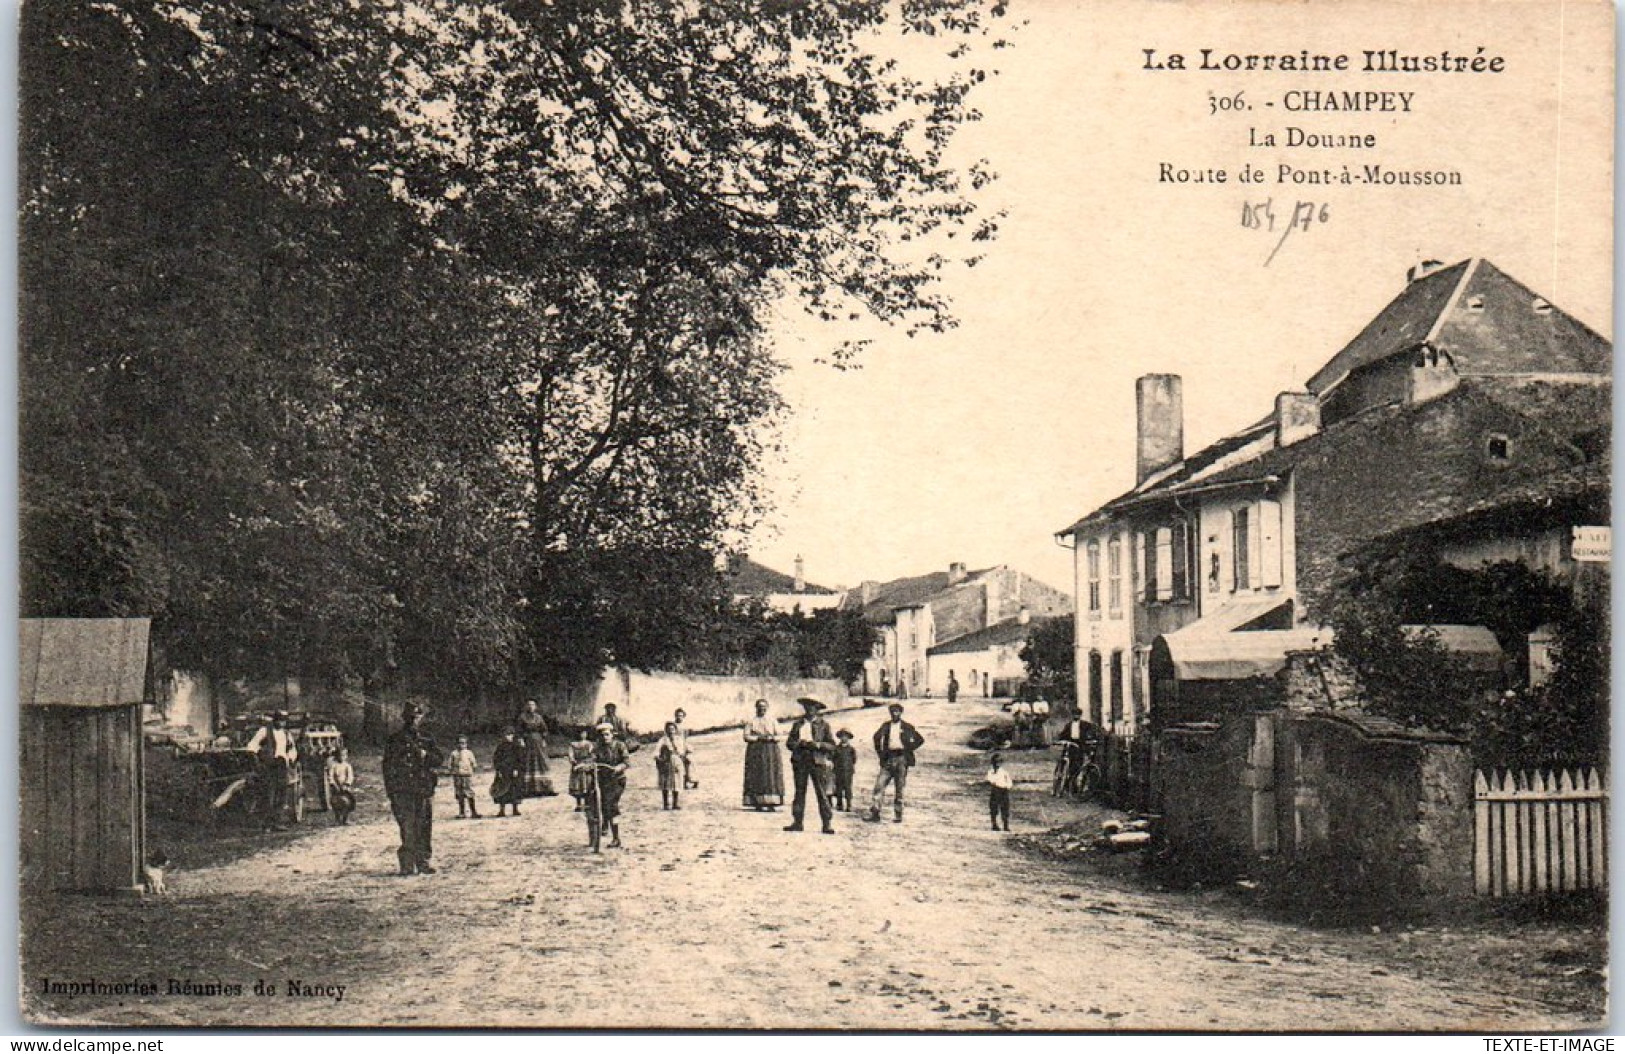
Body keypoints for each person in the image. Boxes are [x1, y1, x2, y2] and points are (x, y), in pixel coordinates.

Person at [381, 703, 444, 875]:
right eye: (411, 717)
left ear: (421, 718)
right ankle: (407, 864)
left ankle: (423, 861)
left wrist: (426, 756)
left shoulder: (427, 738)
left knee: (424, 826)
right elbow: (388, 766)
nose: (414, 720)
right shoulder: (395, 740)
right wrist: (391, 791)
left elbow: (439, 759)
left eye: (417, 717)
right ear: (405, 718)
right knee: (407, 826)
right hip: (403, 790)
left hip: (423, 788)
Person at [784, 697, 836, 834]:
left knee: (821, 792)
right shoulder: (798, 724)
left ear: (817, 708)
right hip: (800, 760)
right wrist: (798, 744)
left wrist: (818, 745)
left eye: (813, 706)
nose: (809, 709)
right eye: (806, 706)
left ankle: (827, 823)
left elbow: (832, 745)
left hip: (817, 760)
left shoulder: (823, 725)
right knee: (799, 792)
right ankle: (797, 822)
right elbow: (789, 743)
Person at [868, 703, 925, 824]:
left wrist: (909, 748)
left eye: (897, 711)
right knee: (879, 785)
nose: (894, 714)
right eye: (892, 711)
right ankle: (875, 812)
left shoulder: (907, 726)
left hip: (901, 759)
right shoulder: (886, 726)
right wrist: (881, 753)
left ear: (901, 713)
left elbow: (920, 740)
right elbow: (876, 737)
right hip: (888, 758)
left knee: (899, 788)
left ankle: (898, 815)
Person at [245, 713, 299, 826]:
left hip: (282, 765)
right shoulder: (264, 731)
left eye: (283, 721)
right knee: (269, 793)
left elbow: (291, 749)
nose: (281, 723)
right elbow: (251, 746)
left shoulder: (286, 733)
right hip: (269, 765)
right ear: (274, 720)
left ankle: (277, 821)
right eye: (279, 720)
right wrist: (257, 762)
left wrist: (290, 758)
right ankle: (267, 823)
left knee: (281, 792)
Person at [591, 723, 631, 847]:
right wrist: (591, 765)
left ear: (612, 734)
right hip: (602, 780)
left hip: (617, 780)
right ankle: (603, 824)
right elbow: (592, 759)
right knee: (601, 804)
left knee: (612, 805)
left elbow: (626, 761)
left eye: (607, 734)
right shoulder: (597, 748)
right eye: (602, 735)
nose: (605, 737)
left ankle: (616, 837)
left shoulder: (620, 745)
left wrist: (619, 767)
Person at [741, 699, 785, 810]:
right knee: (756, 774)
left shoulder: (772, 721)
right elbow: (746, 736)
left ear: (767, 708)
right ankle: (757, 802)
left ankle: (772, 802)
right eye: (760, 707)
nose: (762, 709)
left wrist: (771, 738)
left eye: (764, 707)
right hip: (755, 751)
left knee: (771, 774)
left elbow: (780, 736)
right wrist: (758, 738)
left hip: (771, 751)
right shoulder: (751, 721)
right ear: (756, 708)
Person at [515, 700, 557, 797]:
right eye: (529, 705)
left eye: (533, 705)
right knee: (528, 763)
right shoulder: (522, 717)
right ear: (526, 706)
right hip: (527, 743)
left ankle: (544, 788)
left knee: (542, 763)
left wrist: (543, 739)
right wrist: (521, 740)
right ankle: (528, 789)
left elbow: (544, 730)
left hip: (538, 743)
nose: (531, 707)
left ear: (536, 707)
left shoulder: (539, 717)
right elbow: (518, 731)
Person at [490, 727, 525, 817]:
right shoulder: (500, 747)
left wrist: (517, 769)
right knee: (502, 791)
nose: (508, 737)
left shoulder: (516, 747)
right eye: (506, 735)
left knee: (514, 790)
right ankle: (502, 810)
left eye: (510, 735)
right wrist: (498, 770)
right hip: (503, 771)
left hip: (513, 771)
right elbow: (496, 759)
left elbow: (520, 759)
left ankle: (515, 809)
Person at [447, 735, 481, 819]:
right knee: (459, 793)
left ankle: (473, 812)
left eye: (464, 743)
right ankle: (462, 812)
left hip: (467, 775)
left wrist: (472, 770)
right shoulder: (454, 753)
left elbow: (474, 763)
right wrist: (452, 771)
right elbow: (450, 764)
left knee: (469, 792)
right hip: (457, 775)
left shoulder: (469, 753)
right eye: (460, 743)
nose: (462, 745)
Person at [656, 721, 684, 810]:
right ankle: (666, 804)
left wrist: (675, 747)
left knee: (676, 782)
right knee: (665, 783)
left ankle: (675, 804)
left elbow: (681, 751)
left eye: (672, 729)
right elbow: (656, 751)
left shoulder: (679, 739)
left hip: (676, 761)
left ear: (675, 730)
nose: (671, 731)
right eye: (668, 729)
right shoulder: (662, 740)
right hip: (666, 763)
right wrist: (660, 758)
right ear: (666, 730)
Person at [568, 726, 596, 811]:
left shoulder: (589, 744)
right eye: (581, 733)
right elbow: (571, 755)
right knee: (577, 785)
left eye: (584, 733)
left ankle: (587, 803)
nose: (583, 735)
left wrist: (589, 762)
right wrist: (574, 761)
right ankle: (579, 804)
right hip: (577, 765)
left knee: (588, 783)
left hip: (586, 765)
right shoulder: (573, 744)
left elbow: (593, 754)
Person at [325, 747, 356, 825]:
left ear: (346, 756)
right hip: (336, 787)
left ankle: (345, 819)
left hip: (345, 787)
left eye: (343, 755)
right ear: (336, 756)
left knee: (348, 802)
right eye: (340, 755)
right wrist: (334, 784)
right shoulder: (334, 766)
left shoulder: (347, 766)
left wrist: (346, 784)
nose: (341, 757)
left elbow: (350, 776)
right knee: (336, 802)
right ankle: (337, 819)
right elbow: (330, 776)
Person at [832, 729, 858, 811]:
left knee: (848, 788)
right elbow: (833, 758)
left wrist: (849, 767)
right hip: (838, 771)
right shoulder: (836, 748)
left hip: (848, 771)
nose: (844, 738)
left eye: (846, 736)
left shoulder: (851, 749)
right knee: (838, 787)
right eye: (842, 736)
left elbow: (854, 759)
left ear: (848, 738)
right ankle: (839, 804)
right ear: (839, 738)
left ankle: (849, 805)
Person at [986, 752, 1013, 832]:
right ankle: (994, 824)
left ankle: (1006, 825)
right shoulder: (991, 772)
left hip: (1004, 791)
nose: (997, 764)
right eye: (995, 762)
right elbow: (990, 779)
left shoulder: (1004, 772)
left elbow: (1009, 781)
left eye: (999, 762)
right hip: (995, 790)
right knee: (994, 808)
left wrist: (1007, 787)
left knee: (1005, 808)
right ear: (992, 763)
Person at [673, 708, 697, 789]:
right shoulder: (673, 725)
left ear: (683, 717)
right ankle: (683, 782)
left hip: (683, 746)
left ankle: (689, 780)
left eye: (681, 716)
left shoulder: (685, 727)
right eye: (678, 715)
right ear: (675, 715)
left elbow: (685, 737)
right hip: (676, 746)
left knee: (688, 763)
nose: (679, 717)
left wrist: (687, 747)